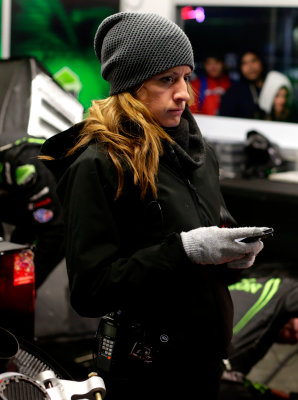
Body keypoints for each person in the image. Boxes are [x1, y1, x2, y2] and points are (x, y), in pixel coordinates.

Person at [39, 12, 268, 399]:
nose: (184, 93)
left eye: (185, 78)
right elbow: (90, 291)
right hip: (146, 370)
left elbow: (214, 229)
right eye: (167, 80)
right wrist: (184, 251)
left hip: (205, 356)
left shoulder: (197, 153)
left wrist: (232, 254)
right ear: (131, 88)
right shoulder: (99, 165)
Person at [0, 137, 65, 290]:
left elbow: (53, 232)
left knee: (21, 282)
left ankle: (17, 298)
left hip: (57, 227)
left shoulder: (23, 167)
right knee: (13, 263)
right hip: (31, 210)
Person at [219, 50, 266, 119]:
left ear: (261, 63)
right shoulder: (233, 93)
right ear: (240, 67)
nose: (250, 66)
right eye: (245, 63)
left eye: (254, 61)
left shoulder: (272, 87)